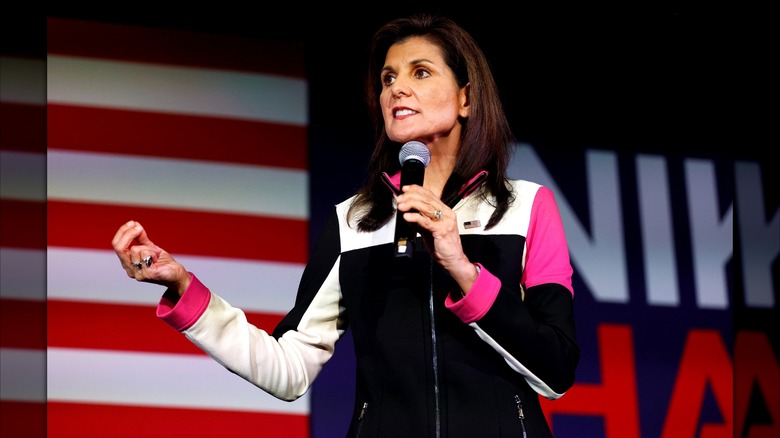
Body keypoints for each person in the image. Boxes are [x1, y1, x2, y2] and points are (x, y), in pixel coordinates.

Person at [112, 12, 579, 437]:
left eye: (421, 72)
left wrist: (461, 267)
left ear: (466, 98)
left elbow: (555, 371)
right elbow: (288, 368)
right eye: (388, 78)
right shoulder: (354, 220)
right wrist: (182, 288)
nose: (397, 88)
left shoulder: (526, 206)